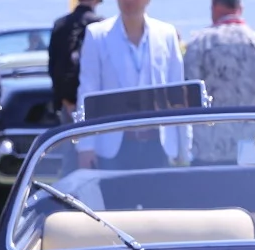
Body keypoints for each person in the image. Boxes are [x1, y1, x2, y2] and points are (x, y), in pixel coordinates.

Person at [76, 0, 185, 170]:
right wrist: (85, 147)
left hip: (158, 145)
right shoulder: (97, 34)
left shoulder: (166, 34)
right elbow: (87, 92)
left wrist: (184, 146)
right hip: (114, 147)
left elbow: (177, 92)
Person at [183, 0, 255, 165]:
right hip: (249, 151)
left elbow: (186, 96)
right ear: (240, 9)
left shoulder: (199, 43)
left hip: (207, 151)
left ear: (214, 7)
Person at [48, 0, 100, 113]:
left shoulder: (60, 24)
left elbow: (52, 65)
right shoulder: (100, 27)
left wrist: (64, 98)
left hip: (65, 101)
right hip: (93, 101)